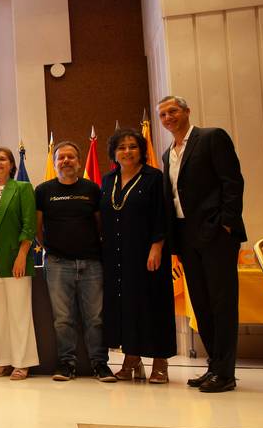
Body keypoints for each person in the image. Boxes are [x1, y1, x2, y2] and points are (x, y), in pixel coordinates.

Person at [160, 96, 245, 393]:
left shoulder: (211, 137)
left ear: (186, 112)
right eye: (163, 114)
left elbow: (232, 182)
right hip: (186, 237)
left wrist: (226, 223)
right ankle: (214, 366)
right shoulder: (166, 153)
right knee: (202, 305)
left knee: (222, 303)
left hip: (216, 234)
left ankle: (226, 372)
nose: (168, 117)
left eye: (172, 111)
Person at [35, 141, 115, 383]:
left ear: (79, 162)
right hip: (58, 263)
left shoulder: (92, 189)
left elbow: (101, 224)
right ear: (55, 162)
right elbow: (38, 227)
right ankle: (66, 364)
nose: (66, 161)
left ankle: (100, 364)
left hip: (92, 263)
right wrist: (50, 248)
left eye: (71, 157)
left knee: (96, 318)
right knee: (62, 318)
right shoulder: (43, 190)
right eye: (61, 158)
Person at [100, 130, 176, 383]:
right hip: (118, 255)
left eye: (132, 146)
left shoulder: (153, 177)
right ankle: (131, 359)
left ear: (141, 150)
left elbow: (162, 215)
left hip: (147, 253)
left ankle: (160, 362)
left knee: (153, 305)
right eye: (121, 147)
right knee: (125, 307)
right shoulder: (108, 179)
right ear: (114, 153)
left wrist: (157, 247)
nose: (127, 151)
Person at [0, 147, 38, 380]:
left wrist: (22, 255)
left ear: (12, 165)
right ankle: (2, 361)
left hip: (14, 257)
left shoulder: (22, 188)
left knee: (19, 312)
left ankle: (22, 362)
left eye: (3, 159)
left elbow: (29, 223)